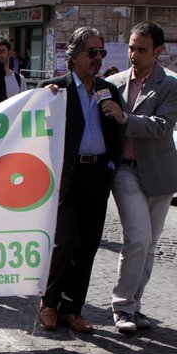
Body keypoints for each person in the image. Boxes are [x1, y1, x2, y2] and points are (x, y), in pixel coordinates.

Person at [35, 26, 123, 334]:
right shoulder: (54, 89)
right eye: (92, 53)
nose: (98, 58)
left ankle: (73, 309)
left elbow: (117, 131)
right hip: (66, 176)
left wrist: (110, 163)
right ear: (74, 56)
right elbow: (33, 129)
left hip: (97, 174)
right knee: (66, 241)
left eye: (101, 53)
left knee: (87, 245)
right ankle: (49, 303)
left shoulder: (108, 90)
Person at [99, 22, 177, 334]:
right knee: (138, 237)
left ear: (158, 51)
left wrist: (126, 119)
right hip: (124, 170)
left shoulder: (170, 84)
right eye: (131, 47)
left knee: (149, 245)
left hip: (159, 173)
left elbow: (162, 126)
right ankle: (121, 307)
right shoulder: (113, 82)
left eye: (141, 49)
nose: (134, 54)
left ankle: (134, 303)